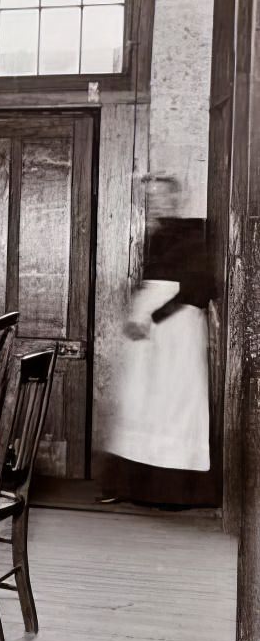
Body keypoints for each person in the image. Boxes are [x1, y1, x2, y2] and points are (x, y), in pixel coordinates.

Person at [101, 174, 217, 506]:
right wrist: (139, 315)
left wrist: (154, 317)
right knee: (139, 404)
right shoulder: (156, 235)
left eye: (163, 197)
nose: (157, 204)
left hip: (178, 328)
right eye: (149, 199)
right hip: (149, 330)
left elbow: (198, 288)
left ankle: (174, 494)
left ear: (177, 199)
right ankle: (133, 488)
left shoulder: (193, 236)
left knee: (175, 406)